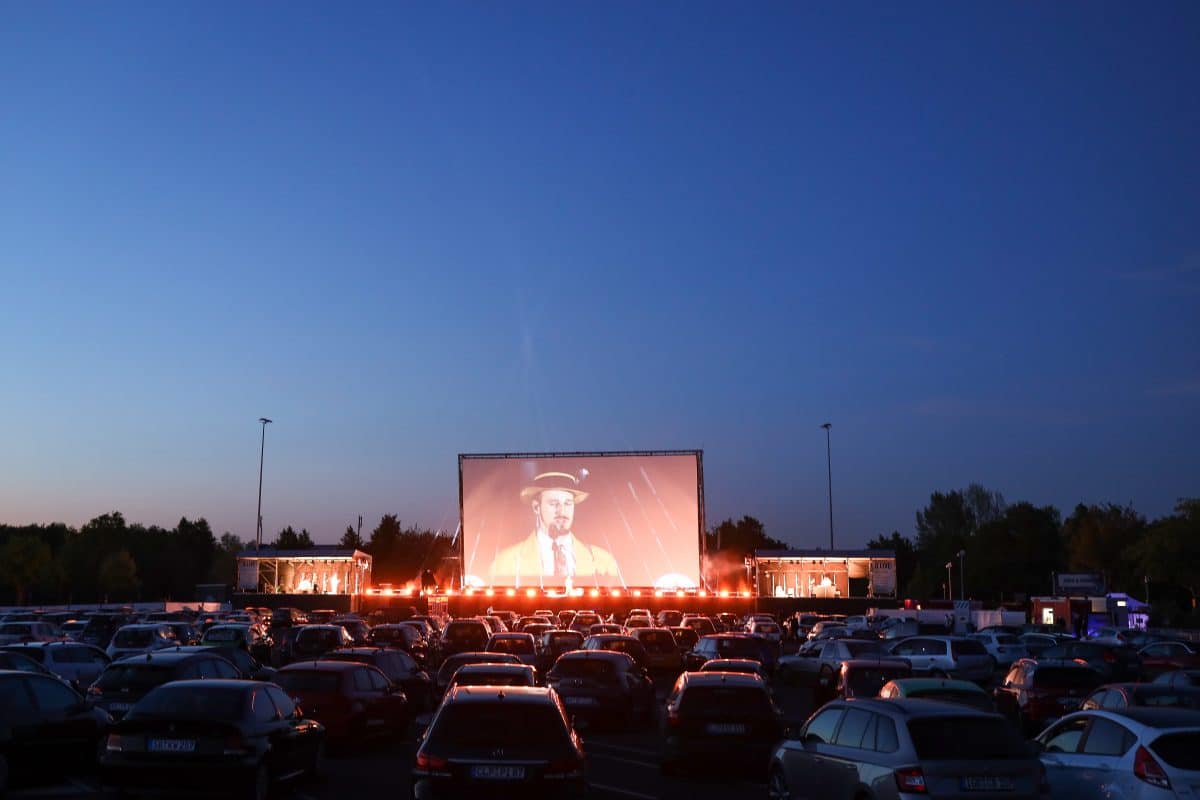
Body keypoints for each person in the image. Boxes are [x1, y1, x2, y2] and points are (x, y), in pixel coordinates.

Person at [488, 471, 620, 587]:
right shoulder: (505, 562)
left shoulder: (603, 561)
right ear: (536, 507)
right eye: (553, 503)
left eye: (567, 503)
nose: (562, 511)